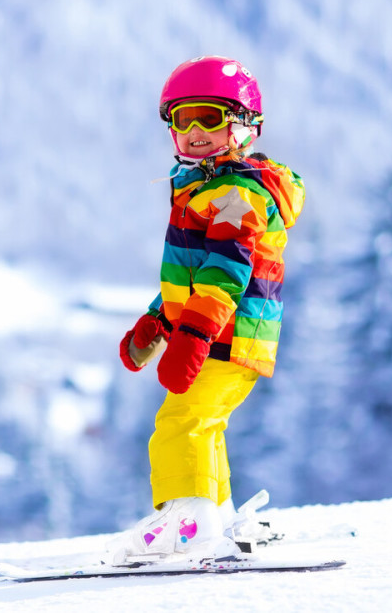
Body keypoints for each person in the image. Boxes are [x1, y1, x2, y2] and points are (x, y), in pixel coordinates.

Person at [109, 55, 305, 563]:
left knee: (182, 421)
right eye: (182, 118)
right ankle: (213, 516)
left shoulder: (236, 193)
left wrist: (193, 335)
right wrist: (158, 321)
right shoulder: (205, 188)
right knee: (205, 423)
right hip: (227, 333)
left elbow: (225, 272)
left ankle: (189, 522)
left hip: (225, 335)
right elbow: (191, 273)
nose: (195, 130)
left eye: (211, 117)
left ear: (246, 127)